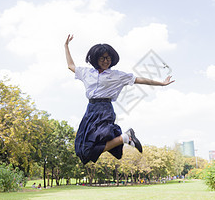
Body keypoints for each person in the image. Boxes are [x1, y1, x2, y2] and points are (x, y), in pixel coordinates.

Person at [65, 34, 174, 165]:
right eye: (102, 58)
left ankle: (125, 137)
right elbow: (70, 65)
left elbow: (139, 80)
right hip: (90, 111)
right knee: (83, 149)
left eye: (108, 58)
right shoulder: (86, 73)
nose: (106, 61)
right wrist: (66, 46)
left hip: (104, 110)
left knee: (93, 147)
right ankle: (126, 137)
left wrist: (161, 83)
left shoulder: (117, 75)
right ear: (96, 59)